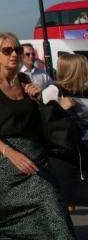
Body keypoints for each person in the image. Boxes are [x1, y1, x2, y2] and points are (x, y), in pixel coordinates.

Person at [0, 32, 75, 240]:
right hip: (1, 160)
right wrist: (10, 153)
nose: (14, 54)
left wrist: (38, 99)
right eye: (7, 50)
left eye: (17, 50)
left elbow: (37, 122)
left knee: (55, 210)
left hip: (34, 158)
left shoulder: (24, 80)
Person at [41, 53, 88, 210]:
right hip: (66, 154)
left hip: (83, 150)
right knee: (64, 198)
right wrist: (61, 108)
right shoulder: (54, 90)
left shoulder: (83, 90)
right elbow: (42, 117)